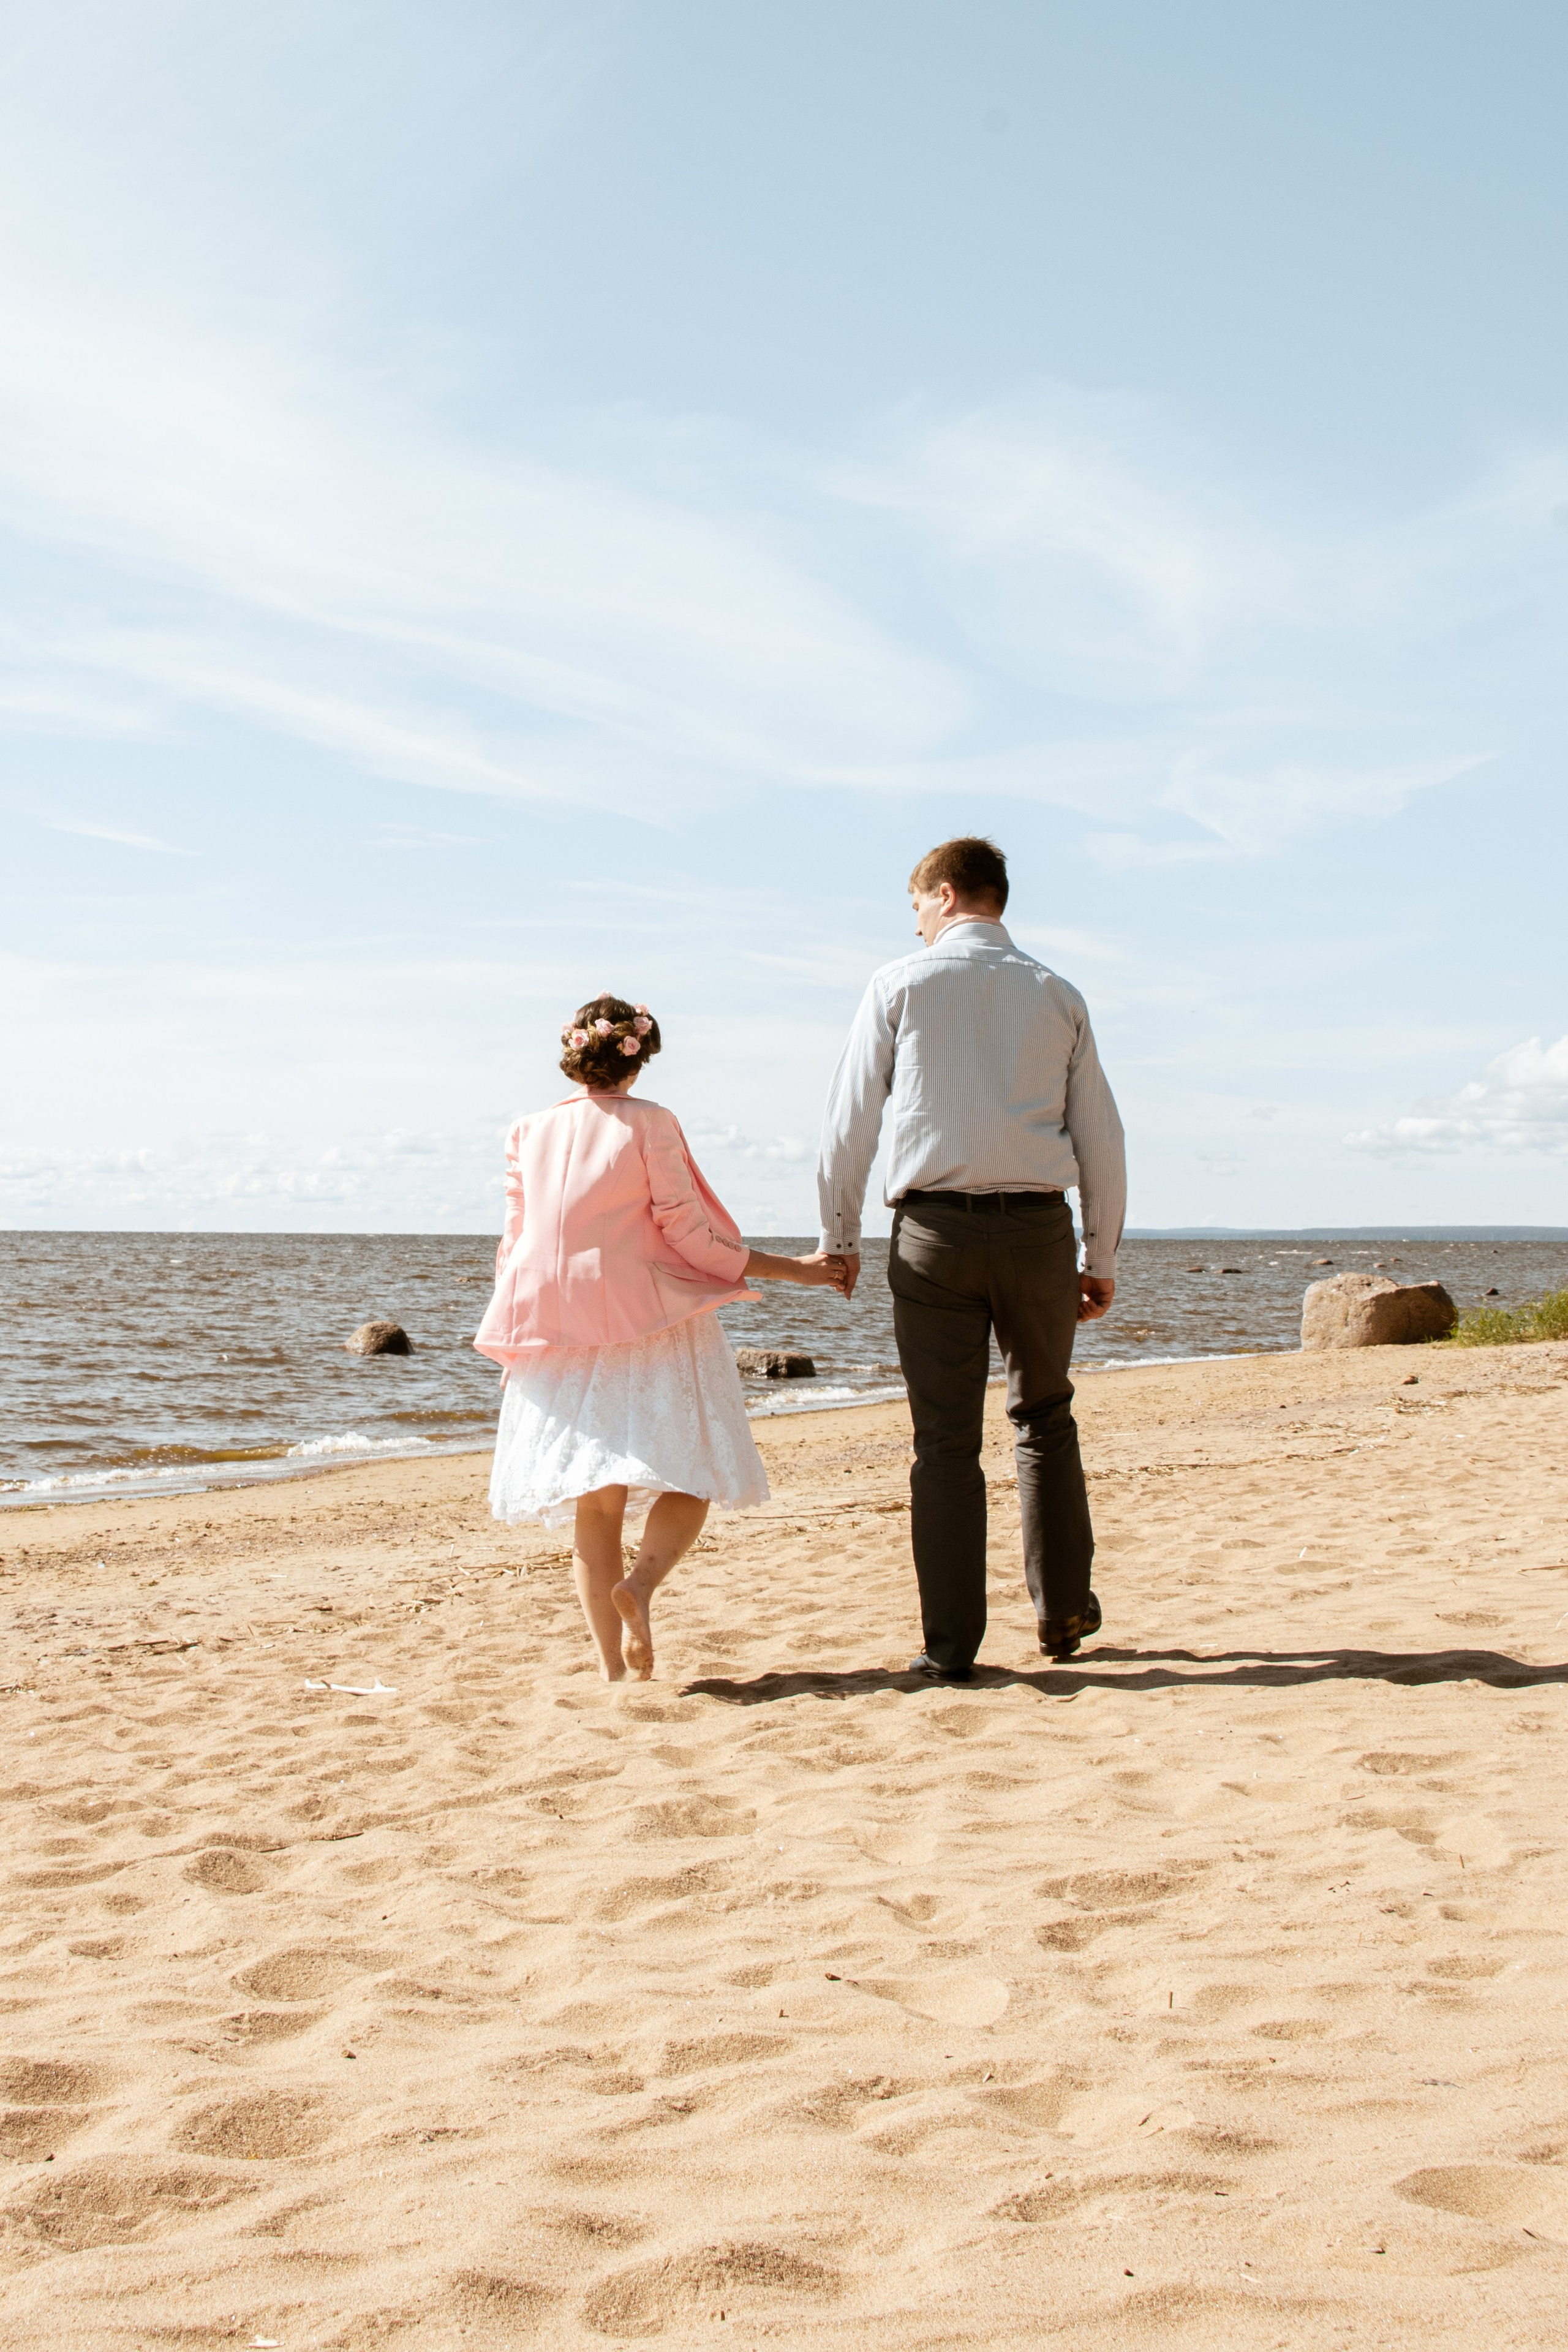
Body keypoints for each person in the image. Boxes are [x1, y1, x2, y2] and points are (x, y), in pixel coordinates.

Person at [816, 837, 1126, 1681]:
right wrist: (1100, 1255)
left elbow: (849, 1124)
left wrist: (839, 1238)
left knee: (944, 1444)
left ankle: (951, 1648)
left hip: (933, 1237)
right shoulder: (1058, 993)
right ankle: (1062, 1610)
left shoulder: (899, 984)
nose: (914, 923)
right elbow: (1101, 1136)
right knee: (1045, 1417)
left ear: (945, 895)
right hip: (1037, 1233)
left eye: (916, 904)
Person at [475, 994, 847, 1683]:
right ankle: (641, 1587)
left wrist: (515, 1345)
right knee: (695, 1469)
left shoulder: (525, 1131)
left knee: (596, 1504)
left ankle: (614, 1675)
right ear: (637, 1057)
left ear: (575, 1053)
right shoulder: (652, 1123)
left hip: (554, 1332)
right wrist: (794, 1270)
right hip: (650, 1322)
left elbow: (514, 1245)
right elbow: (688, 1234)